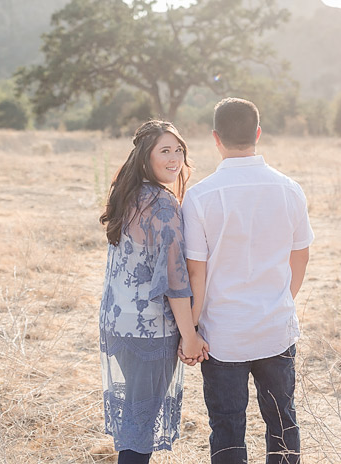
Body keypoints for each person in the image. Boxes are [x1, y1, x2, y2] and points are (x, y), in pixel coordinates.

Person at [181, 98, 313, 464]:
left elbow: (196, 271)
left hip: (223, 333)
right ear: (258, 133)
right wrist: (283, 300)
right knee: (283, 422)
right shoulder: (290, 189)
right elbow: (300, 255)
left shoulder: (199, 196)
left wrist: (191, 329)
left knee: (226, 426)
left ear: (215, 138)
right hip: (275, 326)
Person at [99, 120, 209, 464]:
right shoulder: (162, 205)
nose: (175, 158)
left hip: (117, 323)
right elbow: (175, 279)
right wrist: (190, 335)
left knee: (134, 419)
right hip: (150, 331)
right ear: (145, 156)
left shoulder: (126, 192)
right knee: (139, 430)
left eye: (179, 150)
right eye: (165, 150)